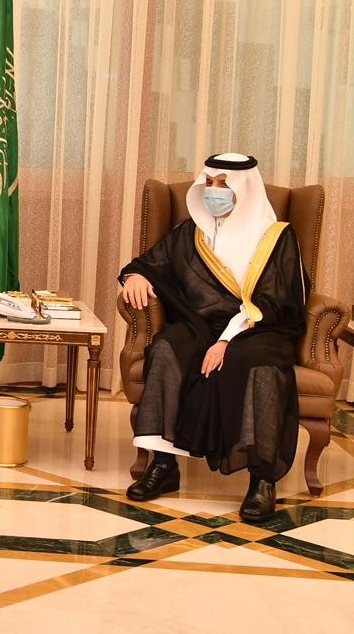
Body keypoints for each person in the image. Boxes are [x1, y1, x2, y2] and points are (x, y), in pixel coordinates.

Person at [120, 153, 307, 521]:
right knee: (167, 348)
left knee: (258, 364)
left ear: (244, 189)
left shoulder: (277, 236)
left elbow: (276, 301)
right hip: (200, 324)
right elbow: (150, 263)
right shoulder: (193, 232)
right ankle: (163, 464)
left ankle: (262, 480)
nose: (213, 192)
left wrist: (226, 341)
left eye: (223, 185)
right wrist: (135, 277)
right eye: (209, 183)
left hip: (259, 326)